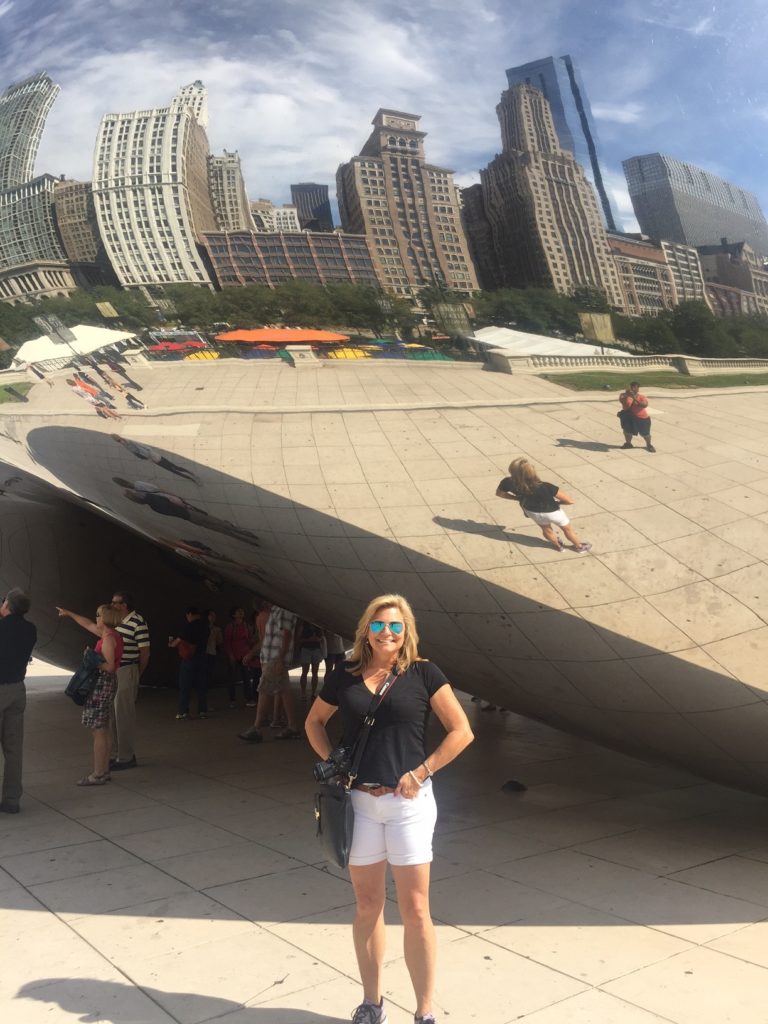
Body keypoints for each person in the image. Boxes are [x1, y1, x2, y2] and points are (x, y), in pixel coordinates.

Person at [305, 595, 474, 1024]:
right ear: (366, 630)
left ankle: (424, 1011)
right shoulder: (344, 676)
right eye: (379, 626)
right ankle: (372, 1002)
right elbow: (313, 722)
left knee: (416, 908)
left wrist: (422, 771)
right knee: (367, 904)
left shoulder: (424, 673)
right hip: (358, 803)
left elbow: (461, 732)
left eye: (396, 627)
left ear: (407, 632)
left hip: (409, 805)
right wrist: (332, 767)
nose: (387, 634)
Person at [57, 604, 124, 785]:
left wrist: (91, 658)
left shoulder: (109, 638)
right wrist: (70, 612)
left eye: (99, 615)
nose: (96, 618)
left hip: (102, 684)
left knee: (98, 730)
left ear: (106, 618)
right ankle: (105, 770)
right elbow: (86, 624)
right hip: (104, 683)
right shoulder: (108, 634)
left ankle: (98, 773)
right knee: (103, 728)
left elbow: (109, 666)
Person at [496, 457, 592, 554]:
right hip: (553, 512)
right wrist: (559, 502)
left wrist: (516, 498)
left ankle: (559, 546)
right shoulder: (545, 486)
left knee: (547, 530)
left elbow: (500, 494)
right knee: (567, 530)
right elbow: (570, 501)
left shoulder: (507, 482)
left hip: (532, 511)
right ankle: (579, 546)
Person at [238, 603, 299, 742]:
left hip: (275, 658)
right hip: (272, 657)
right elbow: (267, 639)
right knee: (284, 691)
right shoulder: (275, 611)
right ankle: (293, 727)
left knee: (264, 690)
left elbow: (287, 635)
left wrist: (280, 659)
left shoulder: (283, 610)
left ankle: (256, 728)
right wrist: (253, 653)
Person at [0, 588, 37, 813]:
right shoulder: (30, 629)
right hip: (17, 688)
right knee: (14, 748)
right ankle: (12, 799)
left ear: (7, 606)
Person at [110, 589, 150, 771]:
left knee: (123, 715)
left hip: (128, 669)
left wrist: (137, 673)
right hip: (117, 670)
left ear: (124, 605)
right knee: (113, 714)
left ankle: (126, 756)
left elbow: (145, 652)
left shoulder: (138, 622)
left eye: (115, 602)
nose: (112, 605)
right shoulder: (117, 622)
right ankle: (118, 753)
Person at [170, 606, 209, 719]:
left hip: (189, 658)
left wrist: (172, 644)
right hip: (202, 657)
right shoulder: (205, 626)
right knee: (201, 685)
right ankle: (202, 711)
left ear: (189, 614)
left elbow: (179, 640)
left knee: (185, 685)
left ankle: (183, 711)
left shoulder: (188, 626)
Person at [109, 434, 198, 482]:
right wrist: (147, 459)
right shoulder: (126, 446)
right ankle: (191, 478)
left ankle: (191, 474)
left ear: (120, 438)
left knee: (174, 467)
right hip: (153, 459)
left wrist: (151, 456)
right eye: (118, 442)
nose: (120, 442)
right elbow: (137, 454)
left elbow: (145, 448)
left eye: (119, 440)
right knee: (172, 470)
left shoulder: (130, 442)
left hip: (155, 457)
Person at [223, 606, 254, 707]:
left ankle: (249, 698)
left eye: (242, 611)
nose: (241, 613)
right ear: (233, 615)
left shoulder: (246, 626)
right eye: (238, 611)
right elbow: (227, 642)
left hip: (244, 654)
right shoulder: (230, 627)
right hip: (233, 654)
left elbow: (249, 640)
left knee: (246, 677)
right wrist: (230, 655)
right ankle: (232, 700)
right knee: (232, 678)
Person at [618, 380, 655, 453]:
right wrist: (627, 395)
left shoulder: (641, 397)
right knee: (627, 431)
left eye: (635, 387)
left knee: (645, 433)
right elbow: (623, 402)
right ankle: (628, 444)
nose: (633, 389)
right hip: (628, 417)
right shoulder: (623, 395)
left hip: (642, 418)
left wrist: (634, 398)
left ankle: (649, 445)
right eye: (632, 387)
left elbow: (644, 405)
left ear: (638, 389)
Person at [298, 621, 324, 701]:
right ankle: (303, 693)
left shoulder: (319, 626)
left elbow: (322, 637)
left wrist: (318, 639)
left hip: (316, 649)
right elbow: (298, 639)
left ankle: (313, 693)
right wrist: (309, 639)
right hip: (306, 649)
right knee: (305, 672)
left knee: (315, 672)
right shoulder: (303, 625)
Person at [204, 608, 223, 700]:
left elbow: (220, 641)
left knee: (208, 676)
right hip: (202, 653)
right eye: (211, 615)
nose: (214, 617)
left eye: (214, 615)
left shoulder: (217, 629)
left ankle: (206, 697)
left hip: (211, 653)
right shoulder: (202, 628)